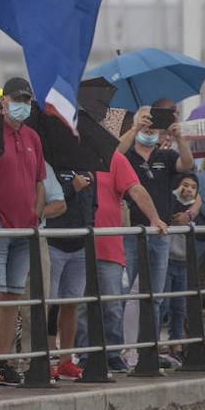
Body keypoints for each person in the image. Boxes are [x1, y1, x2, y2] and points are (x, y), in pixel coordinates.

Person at [0, 77, 46, 385]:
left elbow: (39, 181)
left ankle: (3, 362)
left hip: (23, 229)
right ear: (3, 101)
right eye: (17, 100)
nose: (22, 106)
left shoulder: (33, 137)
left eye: (27, 101)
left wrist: (35, 217)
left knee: (13, 296)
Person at [117, 100, 193, 364]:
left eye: (153, 122)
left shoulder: (166, 156)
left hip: (160, 232)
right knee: (124, 293)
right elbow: (113, 154)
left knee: (156, 294)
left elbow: (187, 165)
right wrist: (135, 126)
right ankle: (123, 349)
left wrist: (178, 137)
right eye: (145, 121)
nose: (150, 126)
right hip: (131, 231)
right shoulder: (128, 156)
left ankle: (149, 347)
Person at [79, 148, 163, 375]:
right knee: (81, 307)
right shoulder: (73, 155)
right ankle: (85, 355)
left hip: (109, 245)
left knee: (113, 305)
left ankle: (112, 353)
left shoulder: (114, 158)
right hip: (78, 246)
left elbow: (135, 189)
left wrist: (154, 217)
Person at [43, 158, 94, 381]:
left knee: (71, 302)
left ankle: (66, 359)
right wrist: (71, 187)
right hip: (54, 241)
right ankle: (45, 359)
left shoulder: (87, 167)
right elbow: (47, 199)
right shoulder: (51, 166)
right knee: (48, 303)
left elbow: (93, 203)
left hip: (79, 244)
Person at [160, 173, 203, 362]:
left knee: (179, 307)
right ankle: (152, 345)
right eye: (185, 185)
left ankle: (175, 344)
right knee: (163, 304)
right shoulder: (170, 202)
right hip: (167, 259)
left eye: (193, 187)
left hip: (184, 261)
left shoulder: (194, 209)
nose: (188, 190)